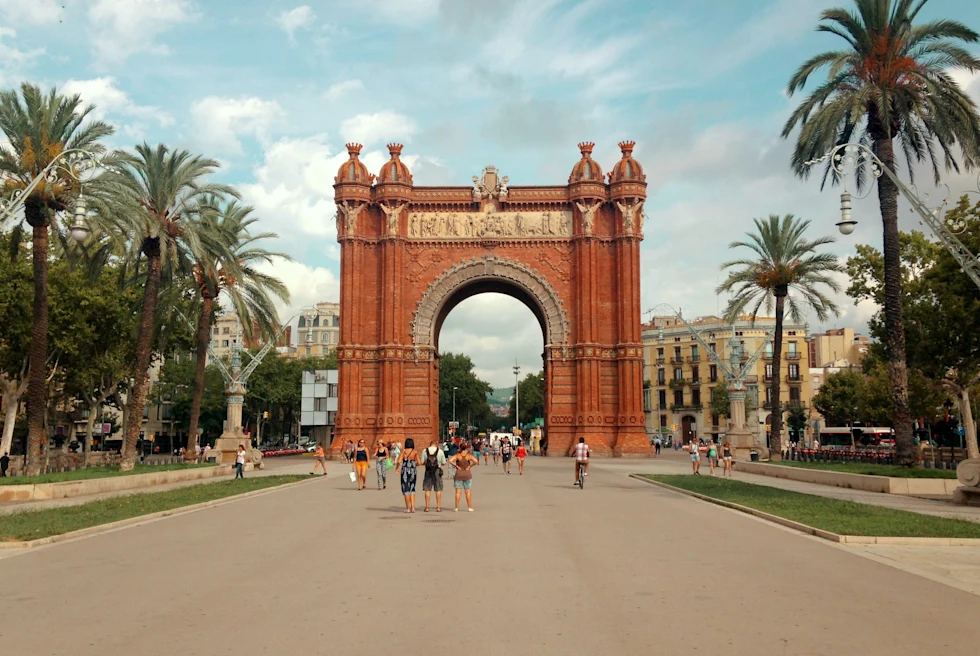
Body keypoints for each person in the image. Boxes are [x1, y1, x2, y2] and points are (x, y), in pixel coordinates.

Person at [395, 438, 422, 513]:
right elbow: (419, 463)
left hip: (405, 472)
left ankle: (408, 508)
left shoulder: (403, 452)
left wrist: (397, 468)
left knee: (406, 489)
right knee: (412, 488)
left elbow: (399, 461)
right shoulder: (415, 452)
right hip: (413, 471)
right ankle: (413, 508)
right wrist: (414, 465)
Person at [450, 441, 478, 512]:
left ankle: (456, 507)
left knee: (458, 492)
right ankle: (469, 507)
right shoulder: (469, 456)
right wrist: (469, 466)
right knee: (467, 491)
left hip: (459, 474)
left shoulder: (458, 455)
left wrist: (456, 466)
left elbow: (450, 460)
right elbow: (476, 461)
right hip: (467, 474)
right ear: (466, 448)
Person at [422, 440, 447, 511]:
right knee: (438, 489)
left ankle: (427, 507)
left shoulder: (425, 451)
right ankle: (438, 507)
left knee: (427, 489)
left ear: (430, 444)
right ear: (436, 444)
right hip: (437, 471)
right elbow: (444, 462)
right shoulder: (440, 451)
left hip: (428, 471)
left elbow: (422, 462)